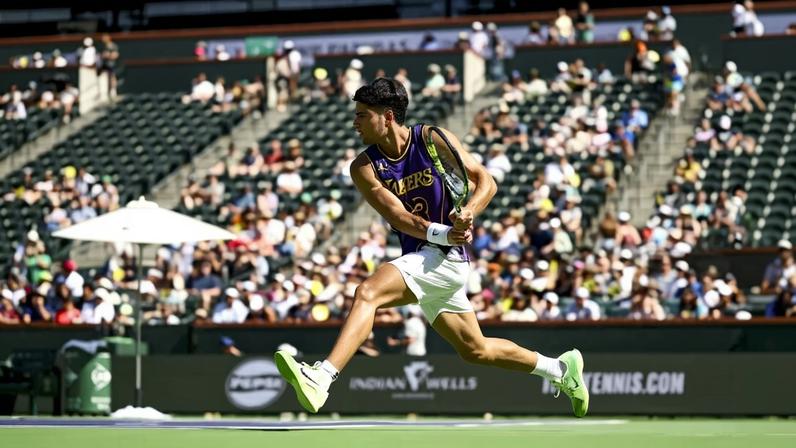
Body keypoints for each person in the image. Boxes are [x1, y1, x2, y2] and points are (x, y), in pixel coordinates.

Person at [274, 77, 588, 417]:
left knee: (368, 292)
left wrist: (469, 211)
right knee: (476, 350)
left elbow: (486, 181)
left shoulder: (431, 139)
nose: (355, 123)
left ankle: (322, 376)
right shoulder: (363, 167)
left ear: (388, 116)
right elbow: (398, 215)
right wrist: (444, 232)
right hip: (428, 253)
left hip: (445, 259)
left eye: (363, 115)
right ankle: (560, 370)